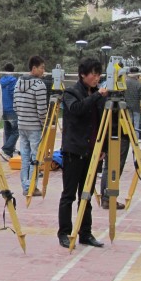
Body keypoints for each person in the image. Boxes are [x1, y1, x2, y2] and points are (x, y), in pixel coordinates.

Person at [57, 58, 108, 249]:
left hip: (92, 152)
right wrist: (97, 96)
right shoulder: (71, 92)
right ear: (82, 75)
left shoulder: (98, 95)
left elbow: (104, 121)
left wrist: (102, 147)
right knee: (69, 195)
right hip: (73, 151)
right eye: (93, 74)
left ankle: (85, 233)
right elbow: (76, 109)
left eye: (98, 74)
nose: (96, 78)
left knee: (86, 195)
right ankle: (64, 232)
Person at [15, 57, 48, 197]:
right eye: (41, 67)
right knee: (35, 157)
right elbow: (42, 110)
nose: (43, 71)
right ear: (34, 69)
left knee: (25, 157)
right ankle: (32, 186)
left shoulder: (18, 82)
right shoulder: (39, 85)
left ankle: (26, 186)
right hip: (34, 126)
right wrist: (44, 123)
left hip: (22, 124)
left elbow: (15, 105)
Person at [124, 66, 141, 139]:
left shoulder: (124, 83)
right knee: (136, 125)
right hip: (136, 108)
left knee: (128, 124)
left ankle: (128, 138)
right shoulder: (139, 85)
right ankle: (135, 140)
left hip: (126, 107)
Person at [0, 63, 19, 158]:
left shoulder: (1, 81)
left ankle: (8, 153)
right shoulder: (14, 81)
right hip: (12, 108)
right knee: (16, 131)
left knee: (8, 130)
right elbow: (14, 94)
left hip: (3, 108)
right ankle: (7, 150)